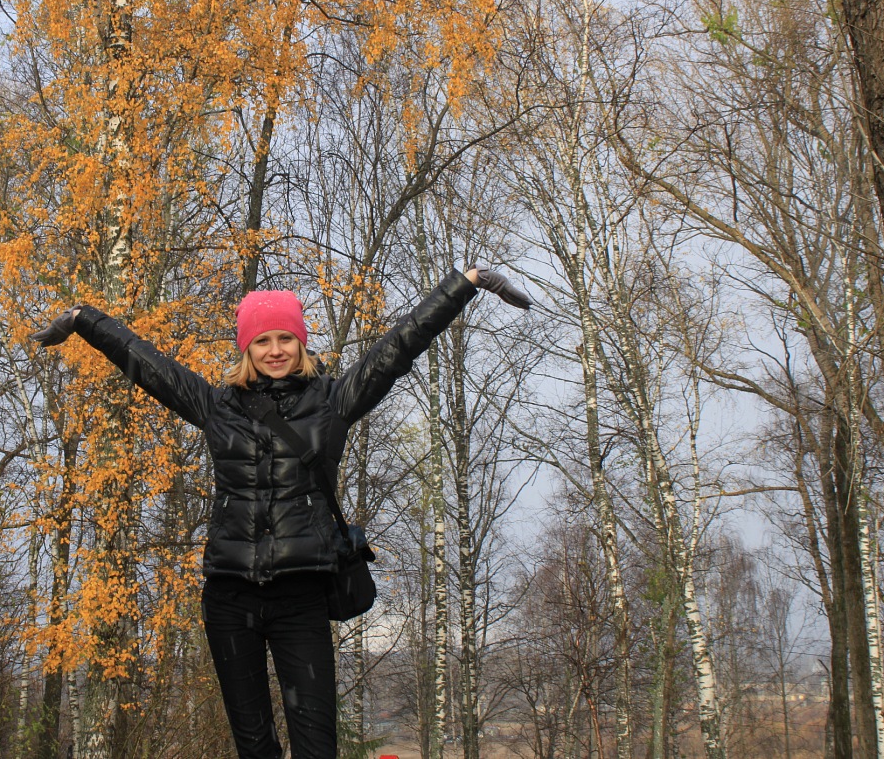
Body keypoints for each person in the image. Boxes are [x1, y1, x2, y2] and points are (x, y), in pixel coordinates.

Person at [30, 265, 531, 759]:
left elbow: (398, 348)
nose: (275, 350)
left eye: (285, 338)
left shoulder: (333, 402)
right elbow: (147, 363)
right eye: (263, 341)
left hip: (301, 597)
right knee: (254, 747)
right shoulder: (218, 407)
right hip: (230, 599)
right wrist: (83, 319)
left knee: (317, 747)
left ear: (301, 343)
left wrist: (468, 283)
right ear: (247, 349)